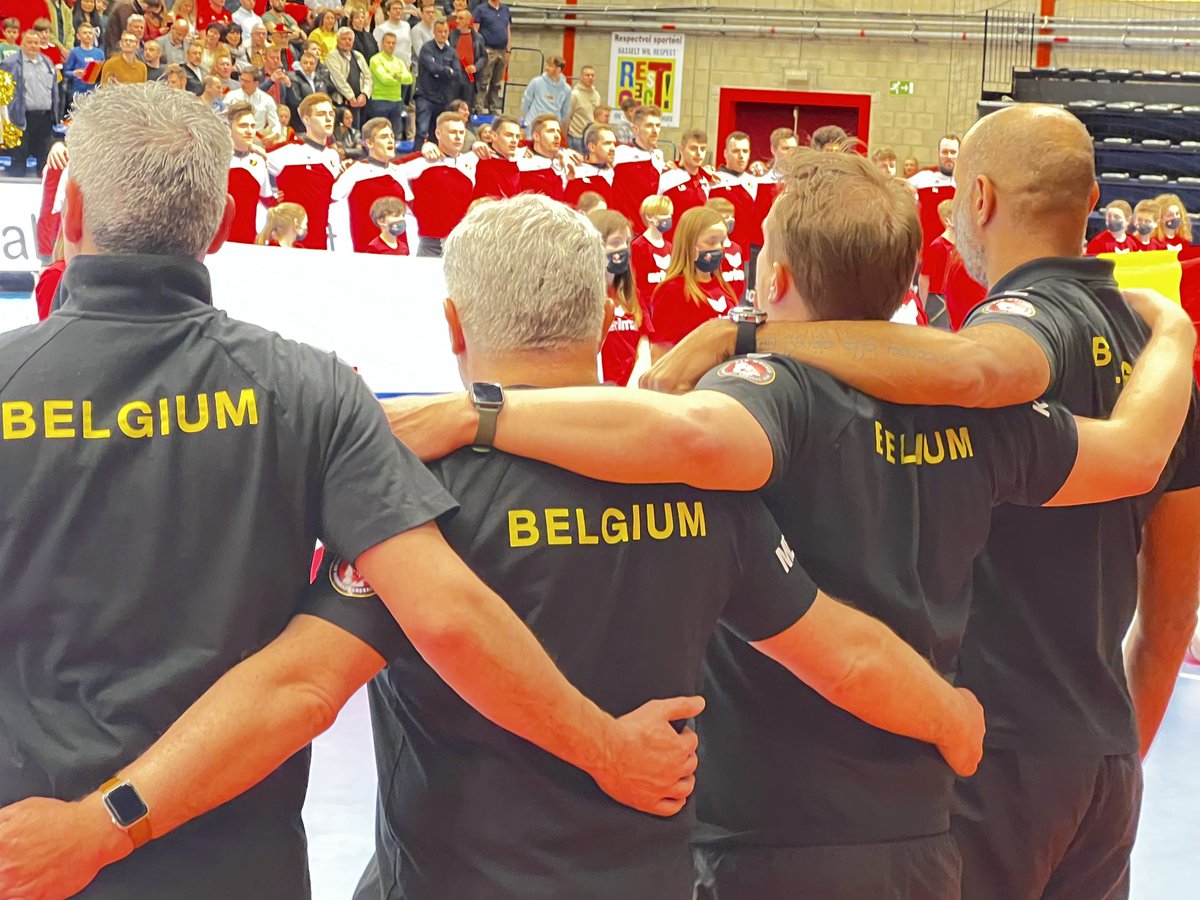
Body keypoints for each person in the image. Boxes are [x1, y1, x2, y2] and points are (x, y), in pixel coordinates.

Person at [379, 147, 1198, 900]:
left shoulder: (774, 390)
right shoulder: (974, 415)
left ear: (773, 283)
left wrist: (478, 413)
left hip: (770, 829)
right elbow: (1132, 456)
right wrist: (1173, 331)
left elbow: (687, 436)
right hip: (918, 827)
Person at [0, 84, 701, 900]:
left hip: (28, 858)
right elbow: (429, 624)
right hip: (239, 867)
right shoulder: (313, 391)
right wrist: (607, 751)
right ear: (226, 221)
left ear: (68, 209)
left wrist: (83, 830)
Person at [303, 193, 989, 900]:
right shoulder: (694, 486)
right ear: (607, 318)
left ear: (453, 323)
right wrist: (952, 715)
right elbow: (844, 655)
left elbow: (304, 686)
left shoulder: (411, 486)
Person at [638, 105, 1200, 900]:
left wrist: (748, 338)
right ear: (1095, 194)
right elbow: (1174, 603)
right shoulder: (1151, 358)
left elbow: (978, 371)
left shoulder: (1009, 333)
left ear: (978, 199)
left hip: (978, 755)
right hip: (1099, 760)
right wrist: (1114, 754)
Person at [649, 206, 736, 360]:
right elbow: (660, 355)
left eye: (721, 242)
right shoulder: (672, 291)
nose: (718, 248)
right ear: (689, 244)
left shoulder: (724, 288)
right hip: (691, 382)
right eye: (711, 242)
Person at [267, 91, 342, 249]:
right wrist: (269, 198)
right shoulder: (288, 150)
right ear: (306, 119)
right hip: (289, 242)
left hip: (319, 242)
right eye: (321, 114)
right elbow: (250, 162)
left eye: (331, 114)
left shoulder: (333, 156)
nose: (328, 118)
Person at [397, 109, 477, 256]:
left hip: (461, 244)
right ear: (438, 134)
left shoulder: (470, 161)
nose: (458, 137)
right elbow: (384, 168)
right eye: (453, 132)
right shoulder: (422, 161)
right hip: (430, 244)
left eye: (461, 132)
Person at [592, 207, 653, 386]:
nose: (624, 249)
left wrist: (635, 383)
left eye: (627, 242)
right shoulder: (583, 298)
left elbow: (644, 343)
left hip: (631, 390)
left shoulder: (630, 294)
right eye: (616, 242)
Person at [330, 116, 406, 252]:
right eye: (383, 137)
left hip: (399, 253)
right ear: (370, 143)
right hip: (367, 254)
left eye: (391, 136)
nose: (390, 140)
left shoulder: (399, 172)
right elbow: (324, 199)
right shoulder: (354, 171)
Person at [1, 30, 59, 175]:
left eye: (36, 43)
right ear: (22, 43)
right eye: (30, 42)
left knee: (44, 159)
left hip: (44, 119)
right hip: (19, 119)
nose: (33, 46)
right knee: (18, 159)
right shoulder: (9, 64)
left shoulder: (47, 63)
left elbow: (54, 90)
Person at [226, 101, 276, 244]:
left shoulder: (259, 161)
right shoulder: (217, 158)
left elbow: (267, 199)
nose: (249, 131)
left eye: (252, 126)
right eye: (243, 126)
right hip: (217, 243)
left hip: (247, 240)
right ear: (229, 128)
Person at [611, 103, 666, 226]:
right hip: (626, 230)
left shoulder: (658, 156)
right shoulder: (621, 153)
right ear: (636, 129)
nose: (655, 130)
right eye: (649, 126)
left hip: (649, 230)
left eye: (658, 125)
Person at [655, 128, 712, 242]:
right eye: (693, 148)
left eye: (703, 149)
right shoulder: (666, 178)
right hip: (671, 247)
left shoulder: (707, 181)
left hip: (696, 247)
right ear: (681, 149)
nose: (698, 153)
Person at [413, 16, 459, 146]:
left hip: (443, 98)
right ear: (434, 32)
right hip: (425, 96)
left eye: (445, 31)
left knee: (438, 132)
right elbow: (432, 69)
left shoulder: (451, 52)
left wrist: (442, 72)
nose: (443, 34)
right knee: (422, 131)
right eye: (440, 31)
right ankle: (416, 157)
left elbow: (457, 75)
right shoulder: (426, 49)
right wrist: (446, 71)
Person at [631, 193, 672, 315]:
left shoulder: (669, 246)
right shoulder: (638, 246)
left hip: (667, 306)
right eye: (663, 214)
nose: (668, 218)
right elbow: (633, 283)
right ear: (649, 217)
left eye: (669, 214)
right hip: (647, 309)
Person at [366, 30, 412, 139]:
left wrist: (395, 76)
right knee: (378, 133)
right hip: (380, 100)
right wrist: (399, 77)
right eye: (388, 42)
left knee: (395, 134)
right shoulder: (375, 60)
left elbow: (409, 79)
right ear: (382, 43)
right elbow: (385, 79)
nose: (391, 45)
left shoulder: (399, 61)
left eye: (393, 43)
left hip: (396, 100)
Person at [325, 26, 372, 128]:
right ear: (337, 41)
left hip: (361, 101)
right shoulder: (332, 56)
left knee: (359, 133)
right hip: (343, 102)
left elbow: (368, 76)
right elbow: (338, 79)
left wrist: (365, 94)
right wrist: (350, 97)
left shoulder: (358, 56)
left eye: (349, 39)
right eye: (343, 39)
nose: (347, 41)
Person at [563, 121, 616, 208]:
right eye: (607, 143)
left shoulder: (616, 169)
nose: (613, 148)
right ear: (592, 147)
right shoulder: (575, 172)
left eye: (614, 143)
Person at [515, 113, 567, 201]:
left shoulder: (564, 161)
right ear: (536, 136)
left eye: (558, 131)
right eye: (550, 131)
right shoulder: (522, 164)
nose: (557, 136)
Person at [471, 112, 522, 198]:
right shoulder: (477, 160)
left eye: (517, 136)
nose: (514, 140)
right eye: (509, 135)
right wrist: (473, 145)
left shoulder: (520, 160)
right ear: (494, 135)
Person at [470, 0, 508, 114]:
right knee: (483, 81)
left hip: (502, 50)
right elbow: (475, 31)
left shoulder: (505, 10)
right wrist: (479, 50)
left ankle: (493, 107)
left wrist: (508, 50)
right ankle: (478, 107)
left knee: (496, 83)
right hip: (488, 49)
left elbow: (508, 29)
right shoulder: (481, 10)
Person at [704, 197, 745, 295]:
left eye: (732, 216)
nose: (731, 220)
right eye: (726, 217)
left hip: (735, 302)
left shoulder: (737, 248)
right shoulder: (709, 250)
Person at [520, 54, 570, 137]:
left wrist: (557, 123)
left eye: (550, 66)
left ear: (558, 69)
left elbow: (565, 112)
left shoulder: (566, 89)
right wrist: (528, 120)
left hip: (550, 129)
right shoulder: (536, 82)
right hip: (532, 126)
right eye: (547, 65)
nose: (546, 68)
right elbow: (525, 102)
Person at [225, 64, 282, 136]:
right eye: (241, 79)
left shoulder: (267, 99)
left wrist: (274, 135)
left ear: (256, 83)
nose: (242, 83)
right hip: (235, 138)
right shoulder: (231, 97)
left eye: (246, 81)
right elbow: (223, 120)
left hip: (257, 139)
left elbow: (275, 124)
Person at [919, 198, 955, 304]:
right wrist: (923, 305)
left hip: (954, 297)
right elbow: (924, 278)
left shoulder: (962, 246)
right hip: (938, 299)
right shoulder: (938, 246)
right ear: (947, 220)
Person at [449, 8, 483, 109]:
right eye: (457, 18)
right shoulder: (451, 35)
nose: (457, 21)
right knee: (453, 105)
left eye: (461, 18)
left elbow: (483, 57)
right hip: (454, 76)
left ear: (468, 21)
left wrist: (475, 67)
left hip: (469, 78)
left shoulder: (477, 38)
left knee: (467, 105)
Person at [63, 22, 104, 102]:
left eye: (90, 33)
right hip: (78, 92)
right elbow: (66, 72)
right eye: (85, 33)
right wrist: (74, 73)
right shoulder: (74, 52)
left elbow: (104, 72)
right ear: (78, 36)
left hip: (95, 92)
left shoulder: (100, 53)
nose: (88, 35)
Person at [567, 63, 600, 153]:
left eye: (592, 75)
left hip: (590, 138)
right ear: (581, 77)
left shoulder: (596, 94)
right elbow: (567, 116)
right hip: (576, 137)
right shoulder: (574, 94)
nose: (590, 77)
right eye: (587, 75)